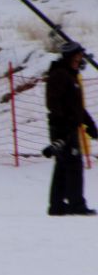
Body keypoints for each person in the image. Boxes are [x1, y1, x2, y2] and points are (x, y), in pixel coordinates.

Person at [45, 40, 97, 216]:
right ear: (72, 56)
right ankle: (76, 205)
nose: (81, 58)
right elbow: (53, 102)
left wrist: (89, 124)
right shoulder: (60, 75)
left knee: (62, 165)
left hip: (69, 126)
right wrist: (64, 123)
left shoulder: (70, 75)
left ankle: (57, 205)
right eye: (79, 55)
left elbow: (76, 106)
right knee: (73, 165)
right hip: (62, 128)